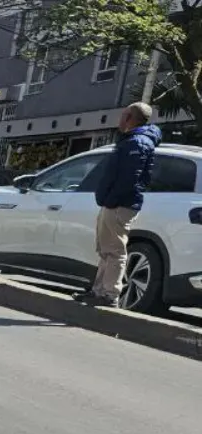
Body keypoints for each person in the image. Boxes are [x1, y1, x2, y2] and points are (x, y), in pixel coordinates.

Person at [80, 102, 162, 306]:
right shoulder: (131, 141)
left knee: (115, 250)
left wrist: (111, 199)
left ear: (129, 118)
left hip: (120, 204)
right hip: (113, 203)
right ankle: (98, 291)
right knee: (106, 249)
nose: (119, 119)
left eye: (122, 115)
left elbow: (129, 178)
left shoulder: (137, 143)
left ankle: (110, 295)